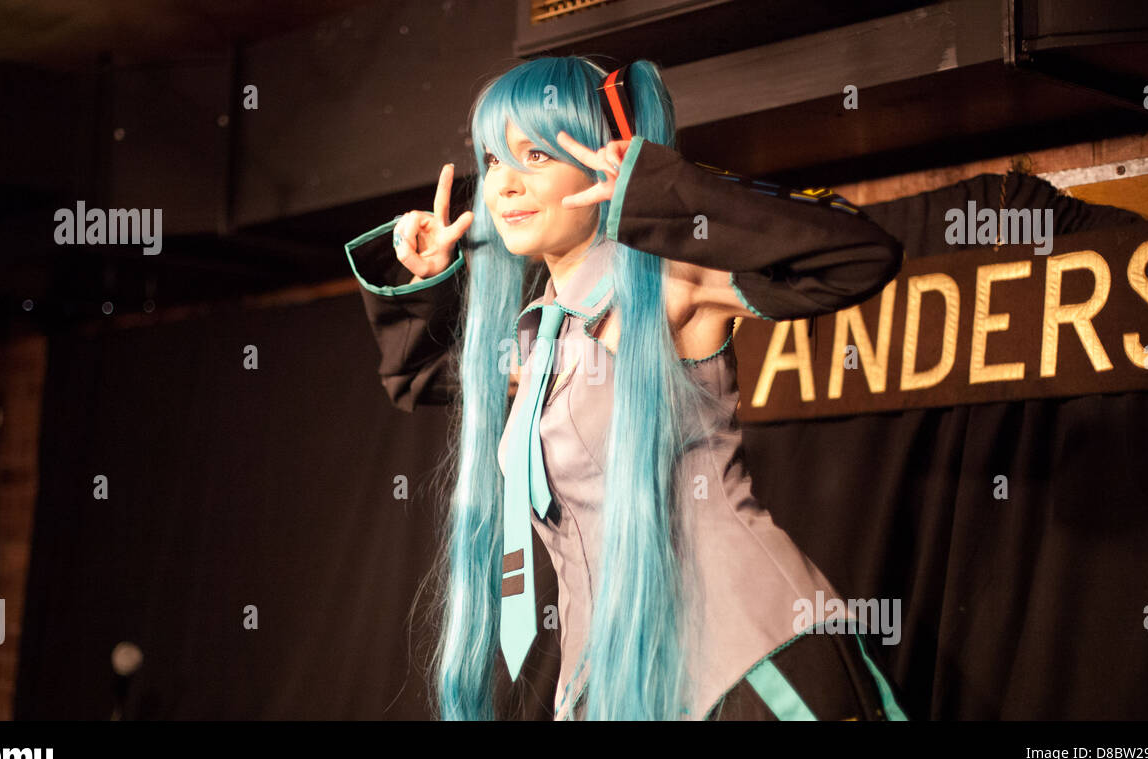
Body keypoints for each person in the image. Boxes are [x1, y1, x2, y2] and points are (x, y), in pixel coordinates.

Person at [345, 56, 908, 721]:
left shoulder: (671, 286)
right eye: (494, 160)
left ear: (599, 166)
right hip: (616, 686)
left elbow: (858, 256)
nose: (505, 186)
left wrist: (665, 193)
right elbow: (416, 377)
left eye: (536, 155)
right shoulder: (537, 344)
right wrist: (429, 281)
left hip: (745, 667)